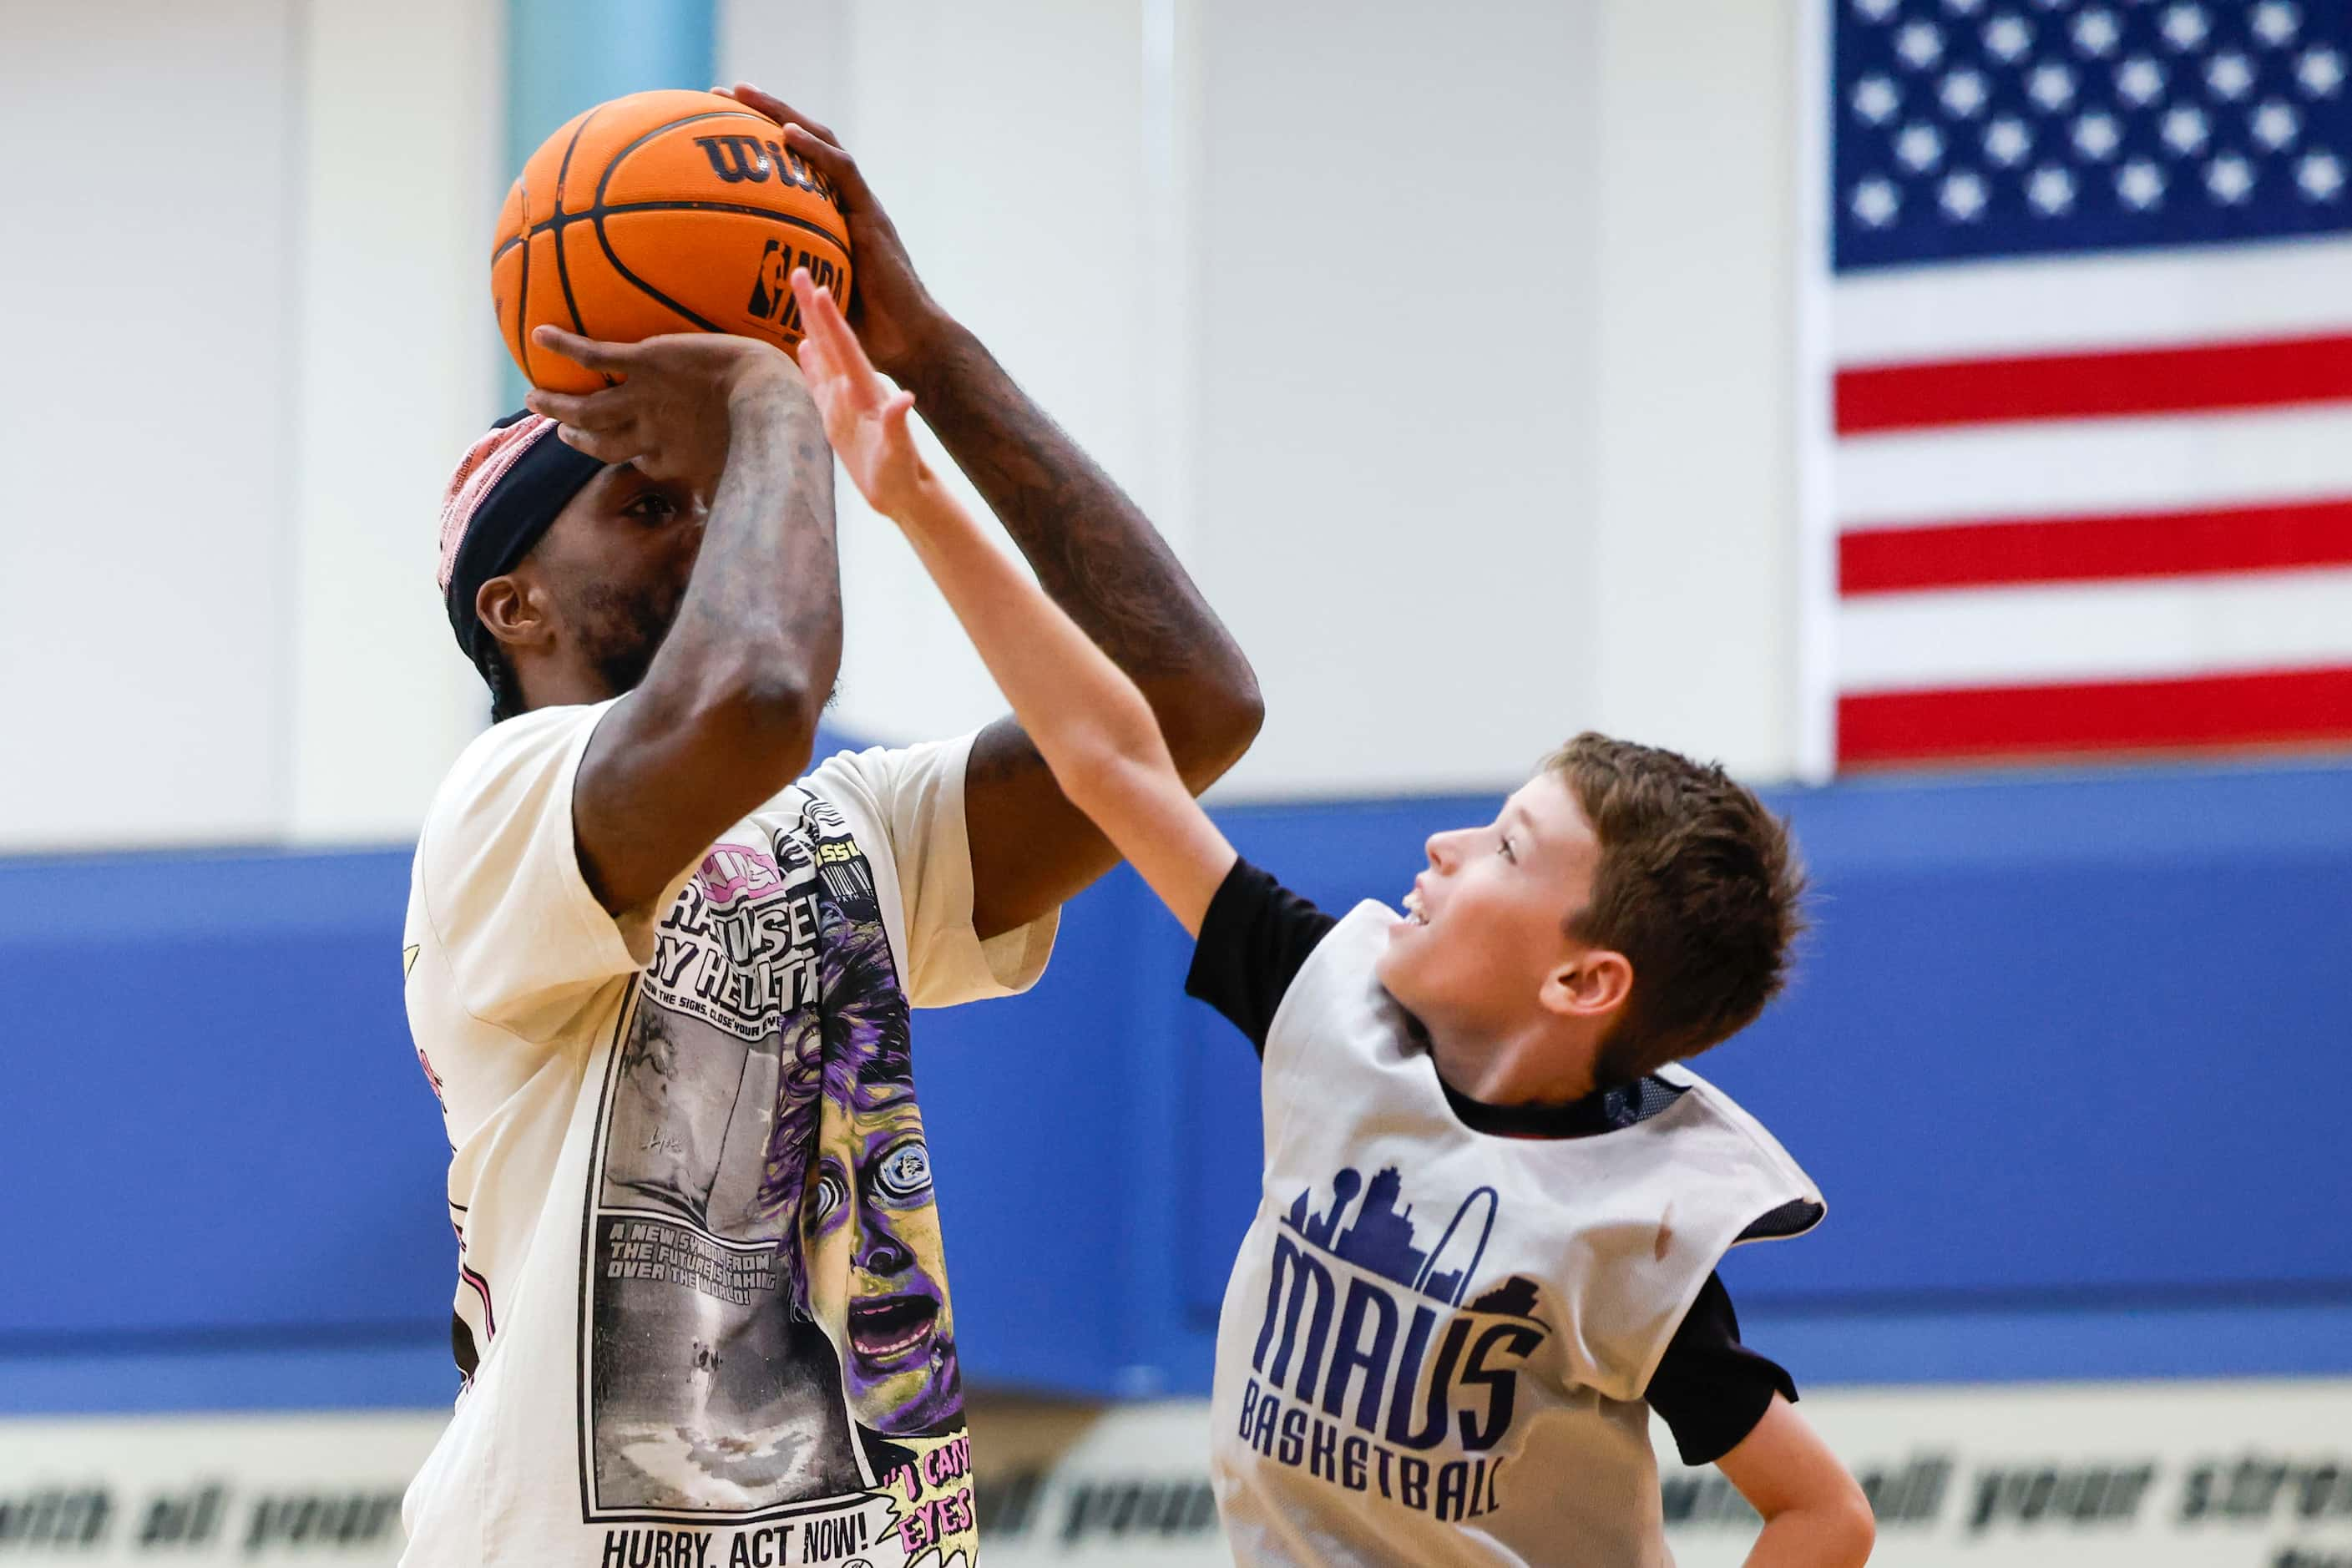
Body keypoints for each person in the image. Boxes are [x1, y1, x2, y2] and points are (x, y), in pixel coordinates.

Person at [787, 270, 1878, 1565]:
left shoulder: (1641, 1226)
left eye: (1506, 846)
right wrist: (910, 496)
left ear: (1586, 981)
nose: (1446, 844)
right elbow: (1114, 760)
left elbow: (1824, 1513)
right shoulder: (1331, 998)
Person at [397, 84, 1262, 1567]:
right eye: (644, 505)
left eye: (704, 496)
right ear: (512, 602)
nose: (703, 513)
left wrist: (928, 356)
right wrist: (770, 394)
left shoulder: (846, 818)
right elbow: (761, 691)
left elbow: (1186, 713)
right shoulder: (501, 807)